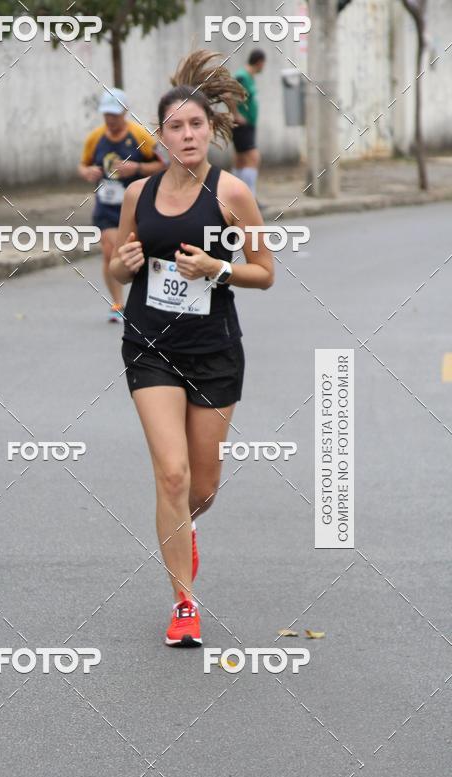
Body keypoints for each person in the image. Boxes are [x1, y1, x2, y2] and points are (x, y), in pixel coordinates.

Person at [109, 51, 274, 647]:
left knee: (202, 488)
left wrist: (216, 267)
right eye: (174, 126)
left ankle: (180, 528)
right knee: (172, 475)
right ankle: (183, 602)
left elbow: (265, 271)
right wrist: (124, 266)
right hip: (149, 345)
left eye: (196, 125)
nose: (186, 135)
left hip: (214, 352)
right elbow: (121, 266)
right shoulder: (138, 197)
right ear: (160, 135)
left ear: (211, 130)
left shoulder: (232, 196)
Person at [78, 88, 166, 322]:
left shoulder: (140, 137)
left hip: (138, 205)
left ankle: (151, 300)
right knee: (110, 251)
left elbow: (163, 166)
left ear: (125, 112)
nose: (111, 119)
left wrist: (136, 169)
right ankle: (118, 303)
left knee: (142, 253)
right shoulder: (95, 138)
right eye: (107, 114)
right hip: (106, 207)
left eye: (115, 114)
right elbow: (83, 165)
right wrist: (88, 172)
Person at [232, 49, 266, 199]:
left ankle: (236, 196)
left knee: (241, 160)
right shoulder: (242, 76)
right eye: (263, 63)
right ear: (259, 62)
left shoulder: (249, 77)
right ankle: (250, 198)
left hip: (248, 125)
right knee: (253, 157)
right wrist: (236, 114)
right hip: (242, 125)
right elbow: (229, 94)